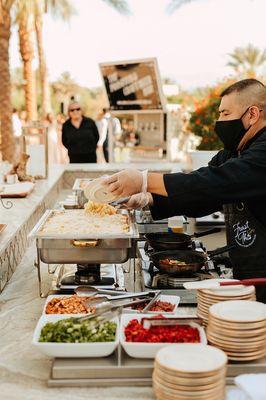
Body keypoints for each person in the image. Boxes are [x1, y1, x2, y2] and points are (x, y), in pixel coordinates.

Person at [103, 79, 266, 303]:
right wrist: (149, 199)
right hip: (247, 275)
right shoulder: (233, 152)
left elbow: (215, 182)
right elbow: (201, 193)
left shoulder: (262, 152)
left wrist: (144, 180)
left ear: (253, 114)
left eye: (226, 114)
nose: (219, 121)